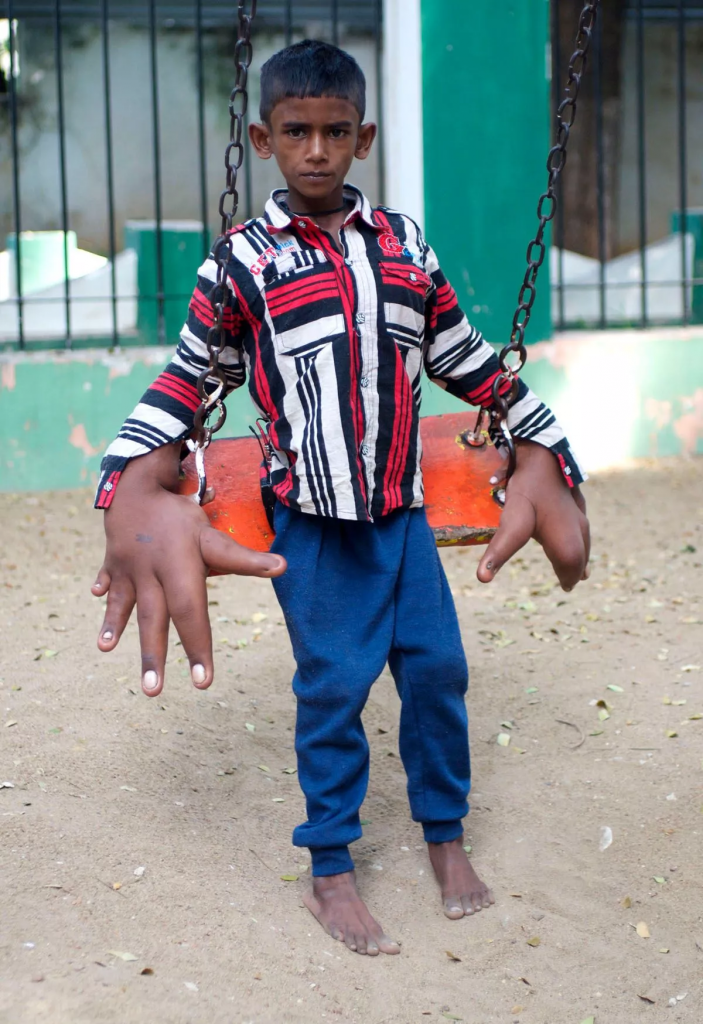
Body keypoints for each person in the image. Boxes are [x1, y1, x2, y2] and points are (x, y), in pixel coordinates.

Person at [92, 40, 589, 957]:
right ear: (263, 139)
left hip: (399, 512)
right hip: (311, 524)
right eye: (295, 132)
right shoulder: (242, 263)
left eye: (334, 131)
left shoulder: (403, 245)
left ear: (363, 138)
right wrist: (124, 470)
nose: (315, 150)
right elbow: (191, 376)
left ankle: (444, 835)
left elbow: (462, 355)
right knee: (333, 687)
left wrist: (547, 439)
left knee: (437, 673)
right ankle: (329, 866)